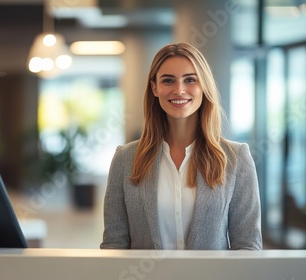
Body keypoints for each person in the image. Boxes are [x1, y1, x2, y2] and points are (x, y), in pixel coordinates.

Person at [100, 42, 262, 250]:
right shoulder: (125, 159)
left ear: (203, 86)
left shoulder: (236, 158)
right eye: (168, 80)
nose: (179, 90)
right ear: (154, 88)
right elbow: (114, 245)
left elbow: (247, 245)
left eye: (190, 80)